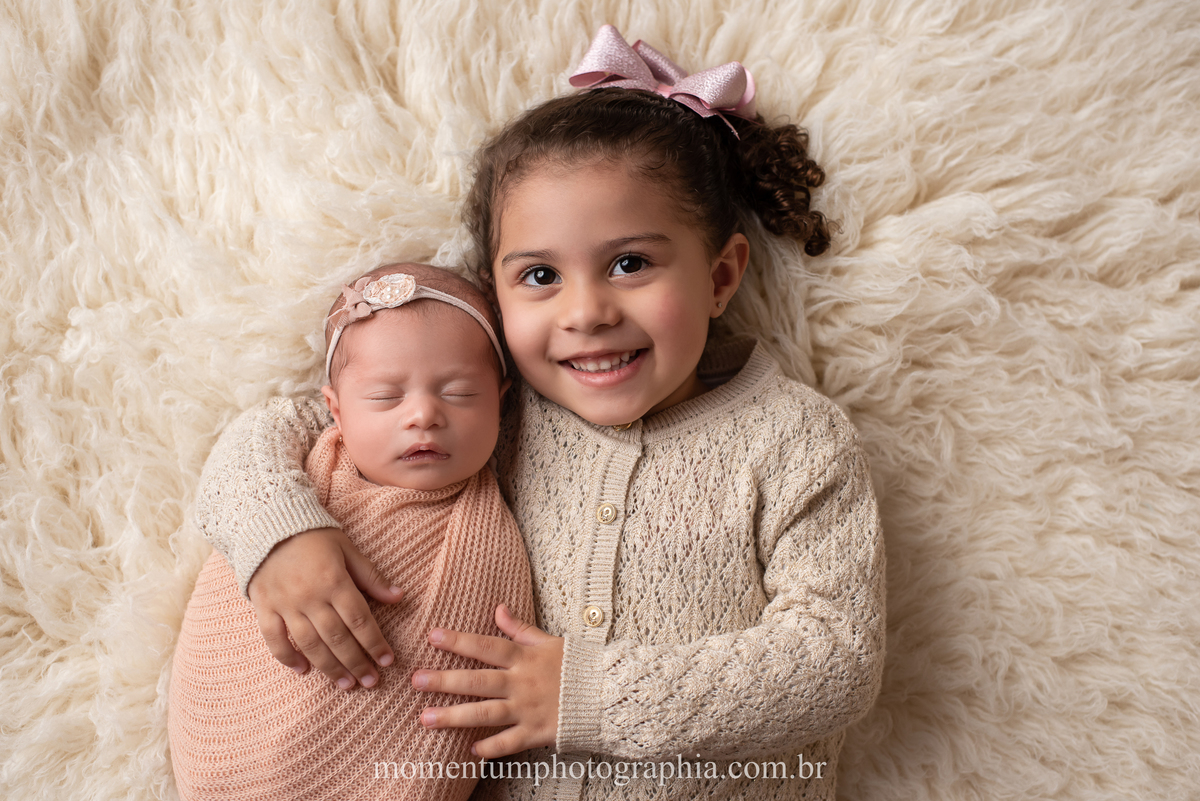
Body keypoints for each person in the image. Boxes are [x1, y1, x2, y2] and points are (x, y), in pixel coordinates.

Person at [189, 25, 885, 801]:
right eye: (541, 275)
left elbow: (835, 659)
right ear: (494, 291)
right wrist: (279, 533)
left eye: (630, 263)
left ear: (720, 274)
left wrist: (584, 695)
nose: (585, 311)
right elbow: (273, 430)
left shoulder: (795, 438)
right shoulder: (490, 409)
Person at [169, 264, 534, 801]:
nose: (424, 415)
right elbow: (237, 465)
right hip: (229, 734)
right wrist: (280, 536)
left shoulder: (497, 532)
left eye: (458, 393)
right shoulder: (301, 454)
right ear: (335, 410)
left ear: (501, 402)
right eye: (386, 397)